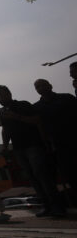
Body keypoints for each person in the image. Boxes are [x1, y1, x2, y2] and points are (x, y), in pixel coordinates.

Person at [0, 85, 66, 217]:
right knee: (32, 177)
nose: (1, 98)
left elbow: (37, 120)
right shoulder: (2, 112)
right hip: (18, 148)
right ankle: (46, 205)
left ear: (9, 93)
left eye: (2, 95)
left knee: (41, 174)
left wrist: (16, 116)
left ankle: (57, 205)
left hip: (33, 144)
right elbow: (5, 129)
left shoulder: (23, 105)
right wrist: (4, 146)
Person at [33, 78, 77, 206]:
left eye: (43, 85)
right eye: (37, 87)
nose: (41, 88)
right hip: (57, 146)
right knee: (70, 175)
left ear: (50, 85)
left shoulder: (67, 98)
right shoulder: (37, 107)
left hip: (74, 139)